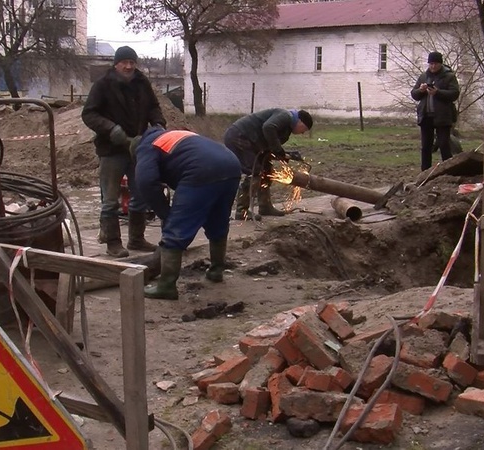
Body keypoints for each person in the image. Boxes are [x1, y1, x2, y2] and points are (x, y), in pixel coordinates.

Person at [132, 127, 242, 300]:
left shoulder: (146, 146)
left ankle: (166, 286)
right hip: (232, 164)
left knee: (176, 230)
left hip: (200, 170)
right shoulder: (175, 136)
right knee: (218, 221)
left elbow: (145, 182)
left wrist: (165, 213)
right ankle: (216, 271)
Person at [82, 45, 166, 257]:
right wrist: (111, 129)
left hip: (138, 147)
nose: (129, 66)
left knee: (142, 192)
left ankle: (136, 239)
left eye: (132, 62)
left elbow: (153, 107)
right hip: (111, 149)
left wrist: (158, 124)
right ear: (116, 64)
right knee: (111, 199)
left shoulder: (141, 83)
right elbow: (89, 114)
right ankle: (113, 243)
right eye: (124, 62)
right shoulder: (103, 85)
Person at [223, 108, 313, 220]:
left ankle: (265, 206)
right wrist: (279, 152)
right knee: (254, 172)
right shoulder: (286, 116)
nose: (302, 133)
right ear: (300, 122)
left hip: (251, 141)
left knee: (267, 170)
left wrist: (286, 154)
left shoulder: (286, 128)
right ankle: (242, 211)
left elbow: (270, 146)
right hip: (239, 137)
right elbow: (268, 127)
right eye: (304, 129)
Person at [411, 51, 460, 171]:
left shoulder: (449, 76)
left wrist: (438, 92)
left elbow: (454, 94)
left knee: (444, 145)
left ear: (440, 64)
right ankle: (425, 172)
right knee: (426, 146)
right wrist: (420, 90)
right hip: (426, 116)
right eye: (431, 64)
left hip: (443, 116)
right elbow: (414, 94)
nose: (433, 66)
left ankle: (449, 171)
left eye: (435, 64)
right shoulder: (423, 76)